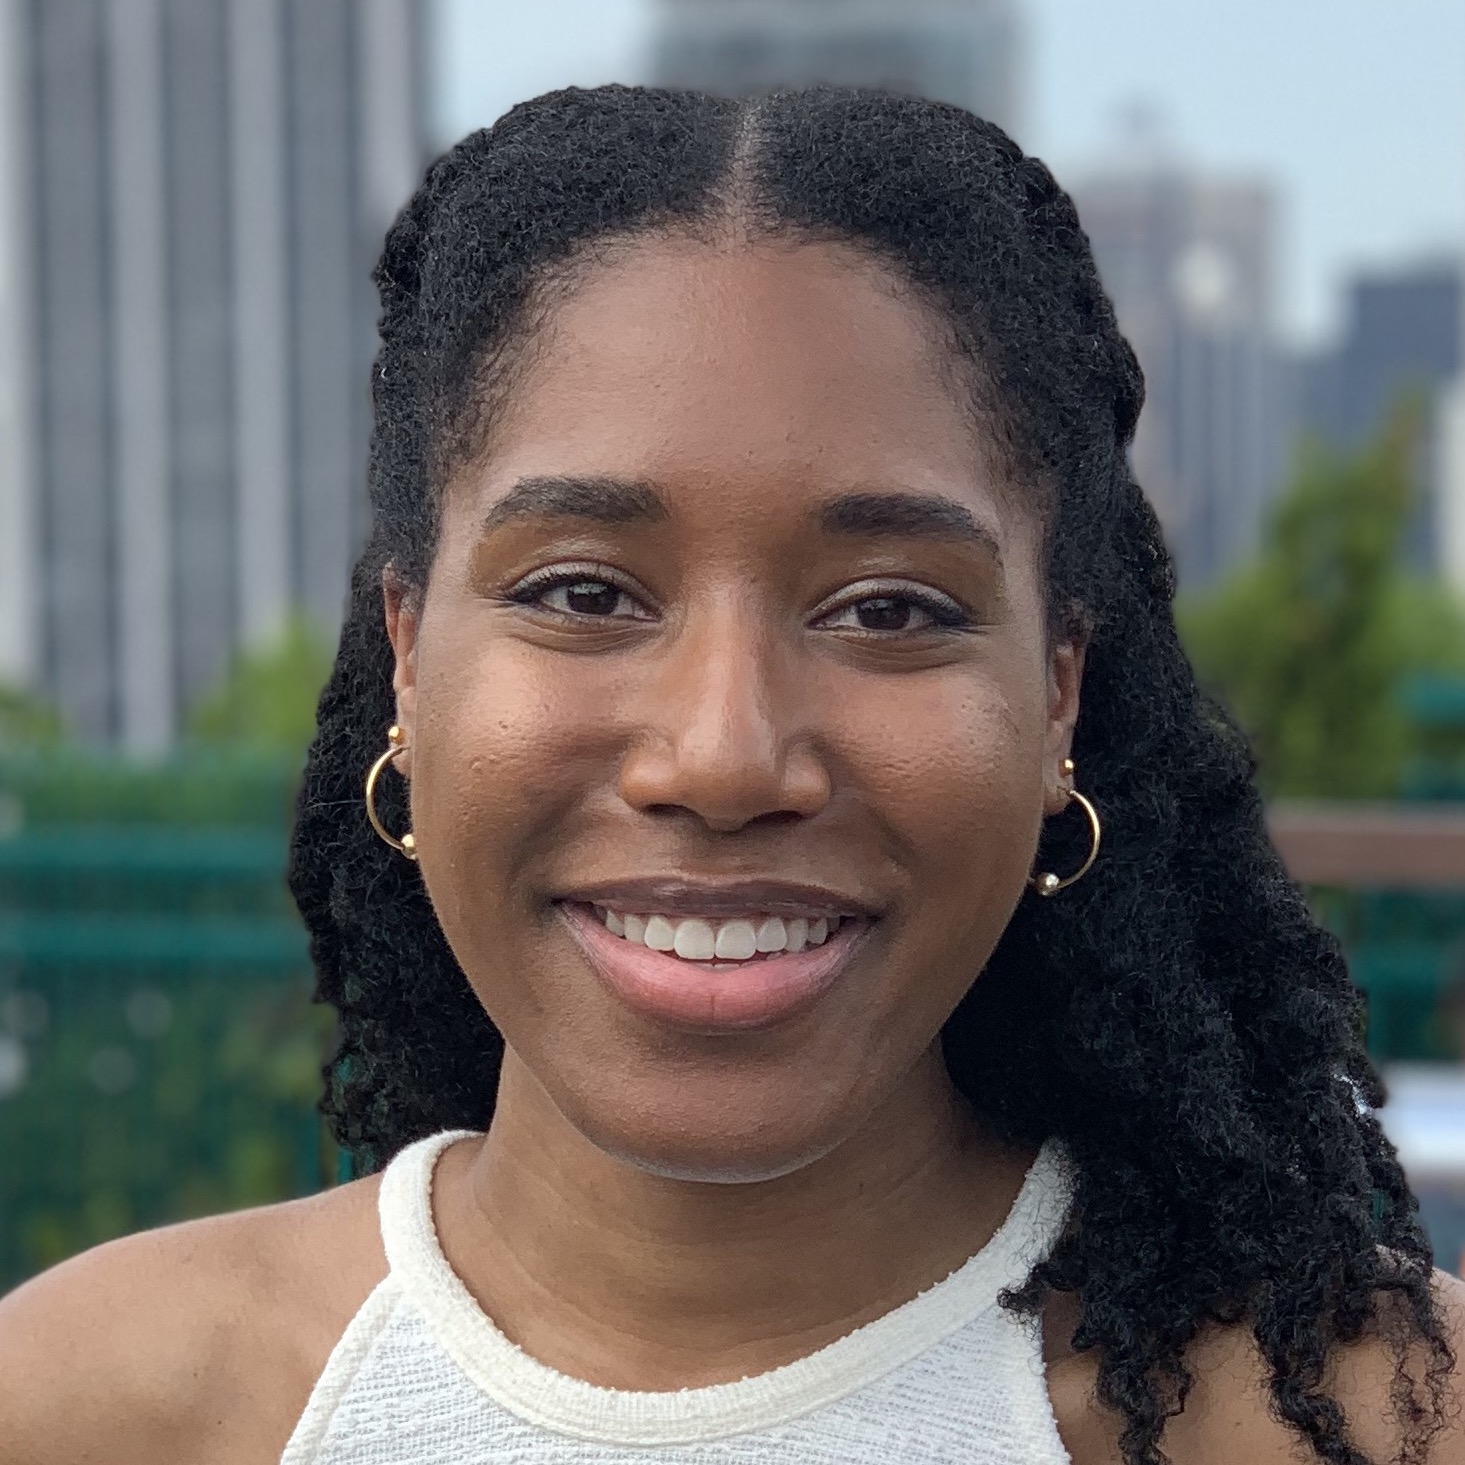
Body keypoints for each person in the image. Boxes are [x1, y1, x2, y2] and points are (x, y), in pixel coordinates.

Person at [2, 84, 1463, 1465]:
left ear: (1055, 696)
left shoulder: (1380, 1424)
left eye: (889, 608)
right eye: (583, 593)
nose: (722, 755)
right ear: (409, 655)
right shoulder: (93, 1404)